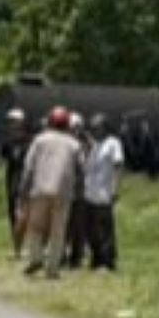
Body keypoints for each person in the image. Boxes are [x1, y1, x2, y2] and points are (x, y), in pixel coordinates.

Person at [18, 107, 84, 280]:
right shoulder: (74, 144)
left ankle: (36, 258)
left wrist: (23, 191)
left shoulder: (39, 140)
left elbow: (28, 168)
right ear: (67, 124)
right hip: (63, 192)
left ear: (50, 122)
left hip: (40, 189)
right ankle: (52, 268)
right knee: (58, 230)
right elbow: (81, 170)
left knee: (35, 227)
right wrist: (79, 191)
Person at [84, 113, 125, 271]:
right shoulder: (94, 145)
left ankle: (107, 261)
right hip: (90, 193)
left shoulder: (113, 143)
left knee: (104, 229)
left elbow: (118, 166)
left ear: (105, 127)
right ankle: (96, 258)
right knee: (91, 229)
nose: (94, 130)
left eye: (97, 127)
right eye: (92, 127)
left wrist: (115, 188)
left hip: (104, 192)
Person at [0, 109, 31, 258]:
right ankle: (16, 245)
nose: (11, 125)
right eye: (9, 122)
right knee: (13, 212)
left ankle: (26, 243)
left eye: (14, 121)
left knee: (24, 213)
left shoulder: (29, 141)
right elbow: (4, 160)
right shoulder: (7, 142)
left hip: (26, 180)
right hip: (12, 180)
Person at [64, 114, 94, 270]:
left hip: (81, 190)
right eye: (71, 128)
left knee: (79, 225)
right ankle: (62, 255)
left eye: (76, 127)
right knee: (64, 225)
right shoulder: (65, 143)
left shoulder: (86, 144)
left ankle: (76, 257)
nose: (74, 130)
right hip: (65, 189)